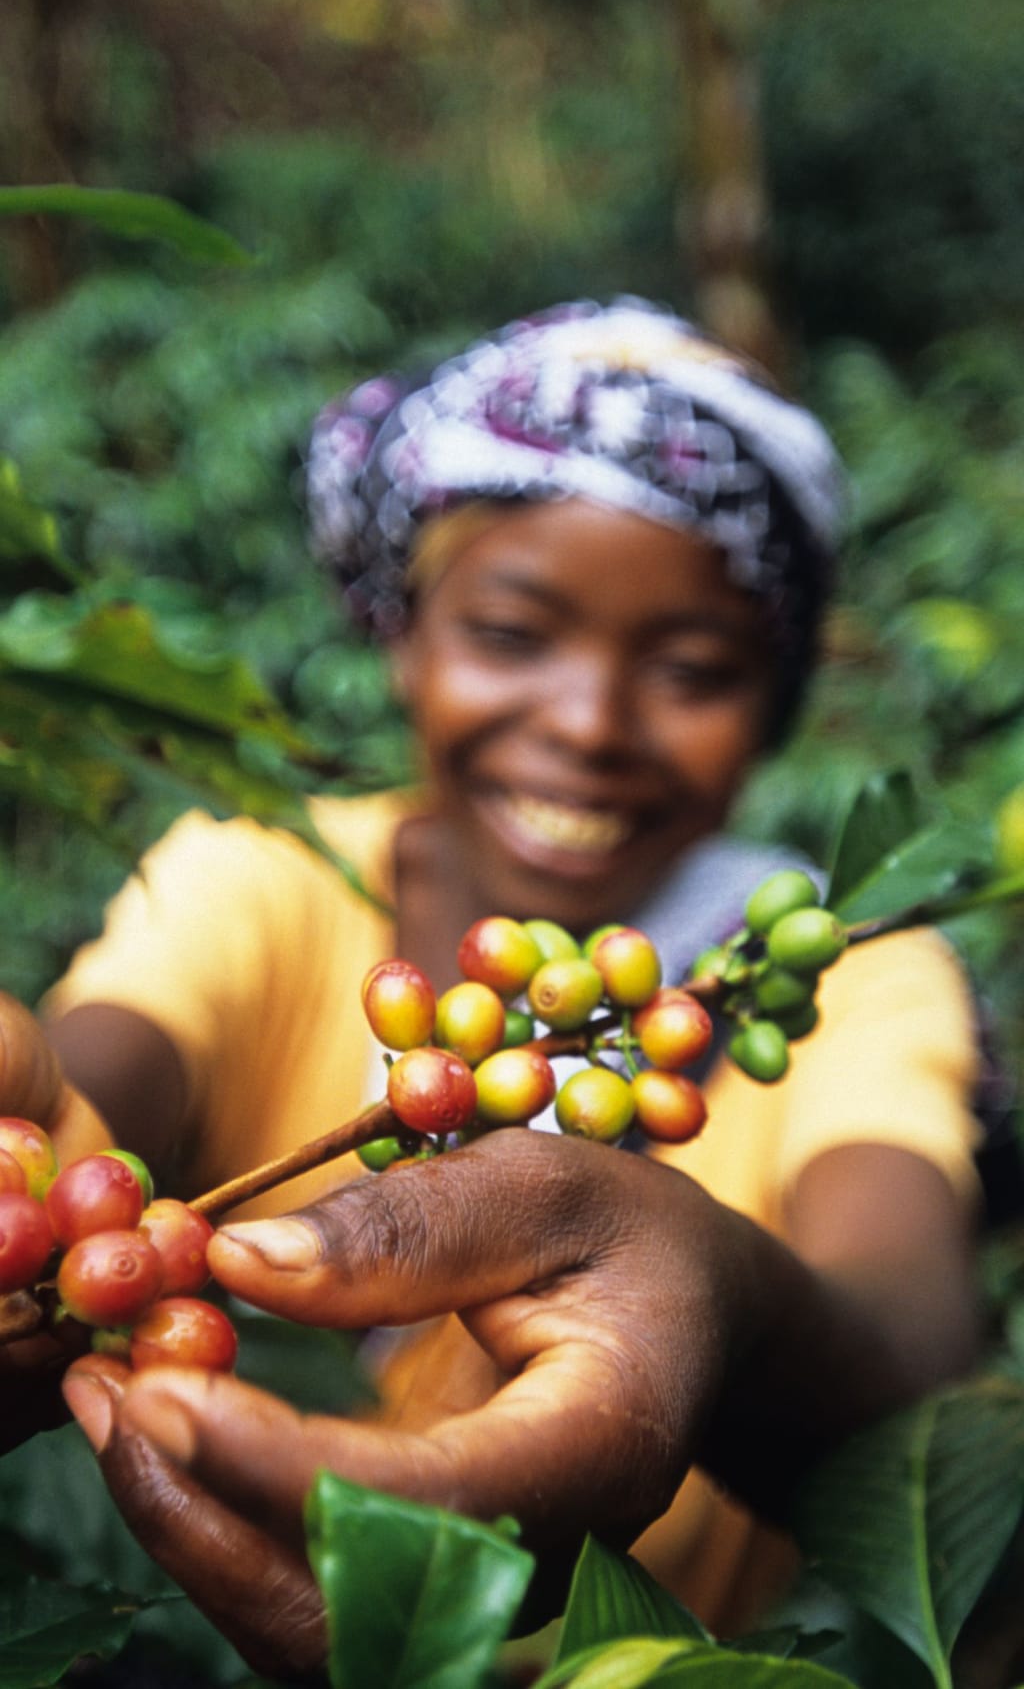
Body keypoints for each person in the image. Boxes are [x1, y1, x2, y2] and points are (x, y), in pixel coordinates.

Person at [0, 300, 981, 1678]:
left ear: (771, 710)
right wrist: (45, 1128)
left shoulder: (861, 977)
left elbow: (923, 1366)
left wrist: (736, 1310)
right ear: (402, 635)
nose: (588, 724)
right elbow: (99, 1082)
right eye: (515, 633)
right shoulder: (259, 877)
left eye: (694, 670)